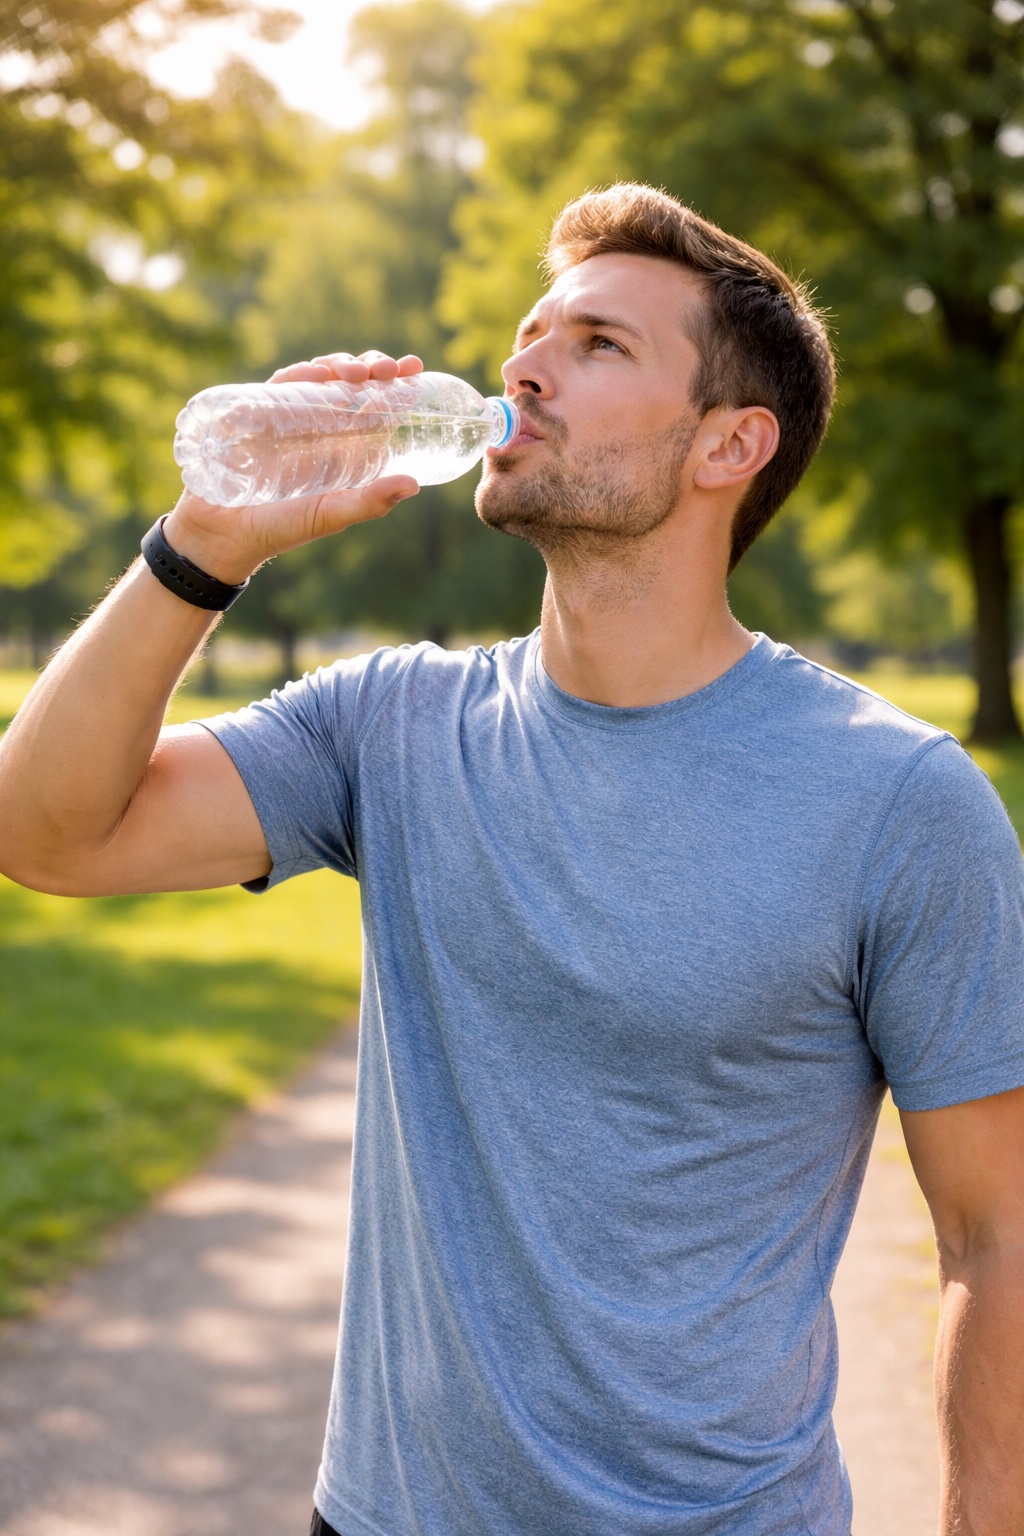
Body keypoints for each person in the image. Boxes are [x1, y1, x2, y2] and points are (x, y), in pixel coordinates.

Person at [0, 182, 1022, 1536]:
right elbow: (47, 830)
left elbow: (994, 1237)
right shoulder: (390, 727)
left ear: (730, 445)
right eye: (530, 335)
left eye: (599, 345)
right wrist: (207, 540)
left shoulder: (898, 797)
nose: (522, 368)